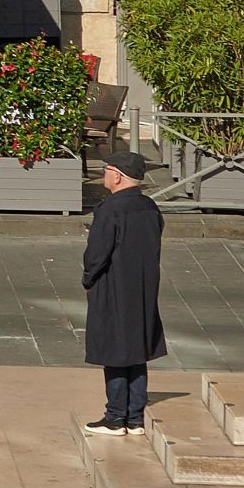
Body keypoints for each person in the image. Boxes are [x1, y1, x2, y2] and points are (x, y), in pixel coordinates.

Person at [86, 149, 167, 431]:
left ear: (118, 176)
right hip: (143, 287)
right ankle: (135, 417)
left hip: (113, 286)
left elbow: (97, 254)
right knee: (136, 349)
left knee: (115, 349)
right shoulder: (149, 207)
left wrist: (88, 279)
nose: (104, 176)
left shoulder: (111, 209)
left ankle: (116, 416)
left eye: (106, 171)